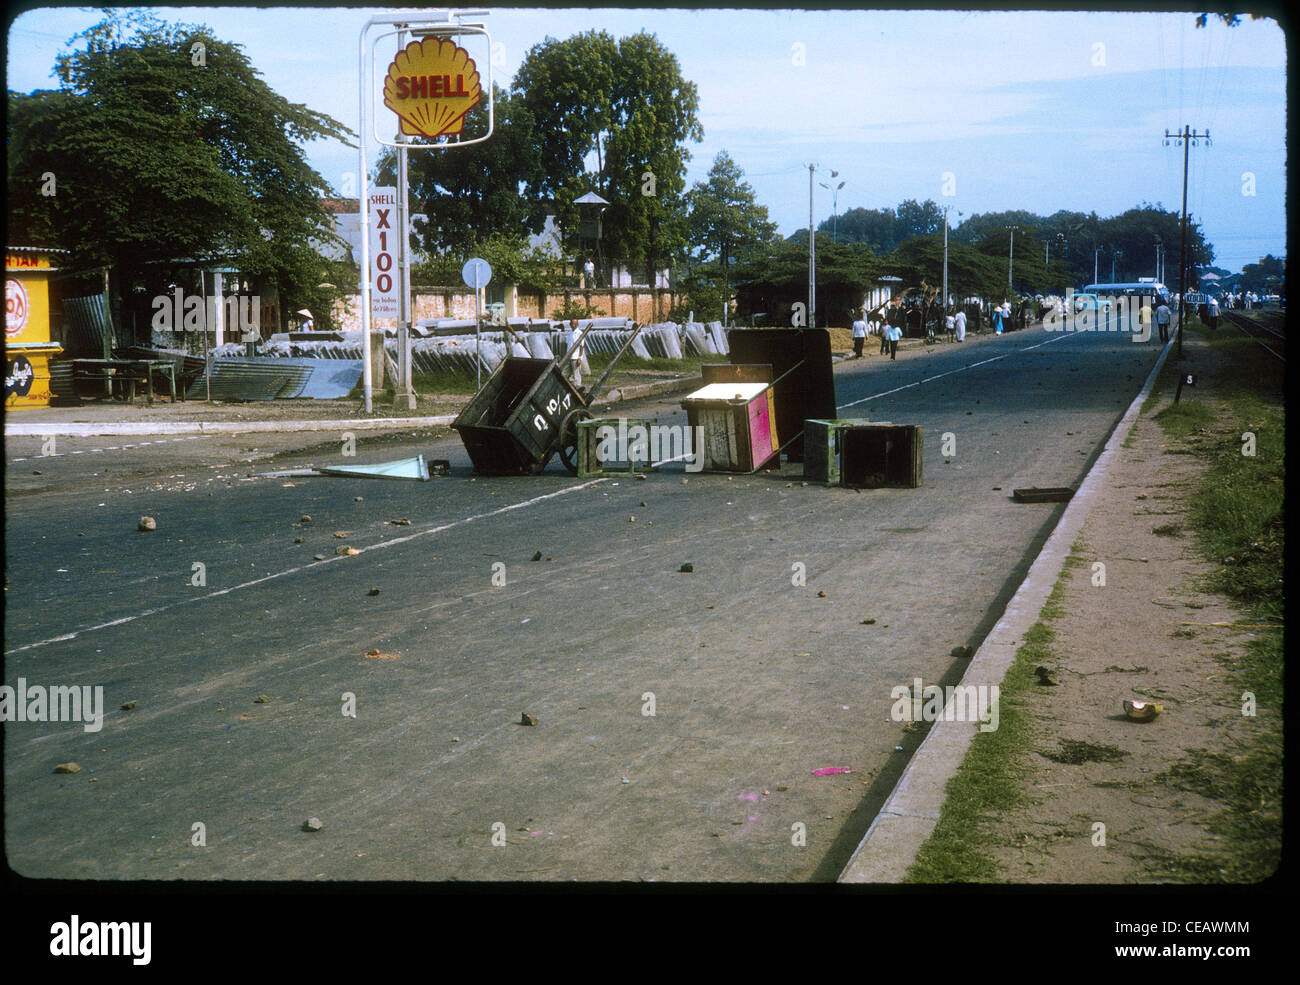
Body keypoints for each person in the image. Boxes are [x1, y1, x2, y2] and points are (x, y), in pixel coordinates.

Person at [566, 317, 586, 386]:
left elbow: (581, 346)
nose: (573, 325)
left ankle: (578, 387)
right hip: (569, 357)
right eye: (572, 323)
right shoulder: (570, 333)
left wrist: (580, 357)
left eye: (575, 324)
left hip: (575, 357)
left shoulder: (579, 333)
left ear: (577, 324)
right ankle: (571, 386)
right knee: (566, 373)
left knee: (576, 374)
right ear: (570, 324)